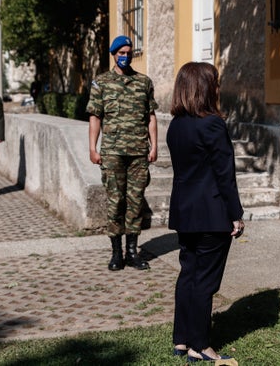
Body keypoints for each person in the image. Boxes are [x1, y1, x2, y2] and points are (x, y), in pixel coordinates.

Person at [166, 62, 245, 362]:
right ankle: (200, 344)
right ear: (204, 88)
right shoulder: (212, 124)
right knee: (206, 281)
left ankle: (181, 340)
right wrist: (235, 214)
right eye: (215, 82)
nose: (218, 87)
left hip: (185, 212)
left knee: (188, 273)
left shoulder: (176, 125)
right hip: (211, 213)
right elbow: (225, 174)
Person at [86, 35, 158, 271]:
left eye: (128, 52)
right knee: (115, 202)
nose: (125, 56)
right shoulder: (101, 83)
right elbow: (95, 117)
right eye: (121, 53)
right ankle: (116, 253)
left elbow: (150, 117)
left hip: (138, 152)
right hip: (113, 152)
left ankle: (132, 252)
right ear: (114, 54)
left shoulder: (143, 82)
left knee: (135, 203)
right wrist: (92, 148)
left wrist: (154, 145)